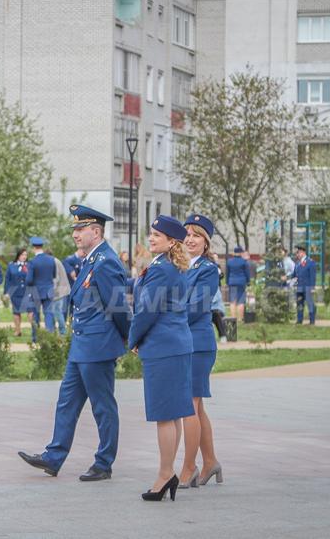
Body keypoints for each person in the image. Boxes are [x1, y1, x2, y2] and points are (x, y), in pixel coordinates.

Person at [19, 204, 129, 482]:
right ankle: (53, 456)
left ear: (97, 231)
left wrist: (130, 337)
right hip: (82, 346)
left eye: (80, 229)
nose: (75, 234)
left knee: (102, 406)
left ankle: (104, 463)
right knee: (66, 402)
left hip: (97, 346)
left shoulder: (107, 261)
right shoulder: (92, 259)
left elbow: (118, 307)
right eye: (75, 230)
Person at [129, 215, 194, 502]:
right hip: (177, 344)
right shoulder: (174, 266)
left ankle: (165, 474)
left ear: (171, 242)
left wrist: (133, 339)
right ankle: (167, 473)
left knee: (164, 415)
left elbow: (146, 311)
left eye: (157, 235)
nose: (151, 238)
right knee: (174, 412)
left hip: (162, 346)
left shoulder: (160, 269)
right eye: (151, 233)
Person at [178, 214, 223, 490]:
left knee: (189, 406)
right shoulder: (180, 266)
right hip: (183, 341)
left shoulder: (207, 270)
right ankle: (210, 462)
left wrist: (167, 321)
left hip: (198, 343)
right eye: (187, 234)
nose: (190, 239)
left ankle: (188, 467)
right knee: (197, 406)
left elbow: (195, 308)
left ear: (206, 243)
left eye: (197, 235)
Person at [26, 237, 57, 340]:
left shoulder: (32, 262)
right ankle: (50, 336)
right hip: (49, 289)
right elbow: (54, 275)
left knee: (35, 314)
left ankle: (36, 337)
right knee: (48, 314)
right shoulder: (51, 259)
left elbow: (29, 280)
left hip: (36, 291)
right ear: (42, 247)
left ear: (34, 248)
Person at [4, 249, 30, 336]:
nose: (24, 257)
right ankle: (17, 330)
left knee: (30, 311)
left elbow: (31, 279)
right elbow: (7, 279)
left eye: (25, 255)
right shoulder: (11, 265)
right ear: (18, 255)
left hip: (27, 292)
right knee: (16, 312)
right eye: (22, 255)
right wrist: (6, 292)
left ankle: (35, 330)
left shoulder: (29, 265)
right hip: (15, 293)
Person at [293, 245, 317, 325]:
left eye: (298, 252)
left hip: (307, 287)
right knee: (299, 304)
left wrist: (312, 287)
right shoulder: (297, 263)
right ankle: (300, 319)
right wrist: (287, 277)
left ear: (303, 252)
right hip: (299, 287)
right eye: (296, 253)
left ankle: (312, 320)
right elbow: (295, 274)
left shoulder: (310, 262)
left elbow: (312, 276)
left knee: (310, 304)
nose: (297, 254)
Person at [49, 248, 70, 336]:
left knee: (57, 311)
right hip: (60, 290)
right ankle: (54, 329)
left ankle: (62, 332)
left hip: (59, 291)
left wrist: (51, 290)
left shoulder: (54, 262)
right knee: (54, 311)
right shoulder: (56, 261)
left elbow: (56, 278)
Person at [226, 246, 250, 321]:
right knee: (241, 301)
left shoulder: (229, 261)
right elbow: (247, 273)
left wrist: (228, 282)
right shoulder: (244, 262)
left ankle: (233, 317)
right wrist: (248, 282)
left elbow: (227, 273)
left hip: (232, 281)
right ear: (241, 253)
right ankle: (240, 318)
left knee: (233, 301)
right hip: (241, 282)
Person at [209, 254, 228, 343]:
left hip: (215, 307)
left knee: (216, 314)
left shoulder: (214, 286)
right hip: (204, 308)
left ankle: (223, 335)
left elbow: (216, 299)